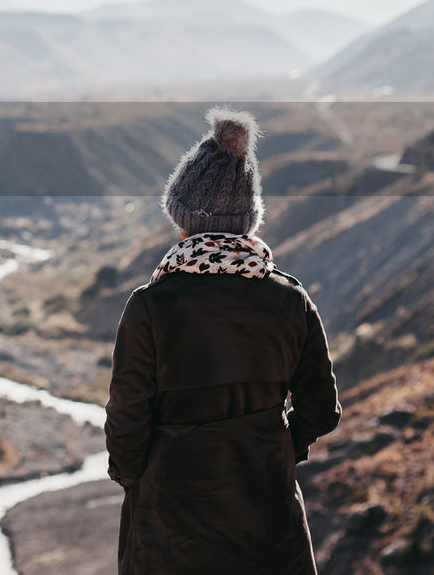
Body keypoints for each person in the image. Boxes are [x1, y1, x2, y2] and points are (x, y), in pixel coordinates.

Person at [105, 108, 341, 574]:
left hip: (169, 527)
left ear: (185, 223)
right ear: (248, 224)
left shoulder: (151, 306)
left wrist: (139, 481)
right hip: (268, 524)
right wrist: (273, 449)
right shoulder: (289, 300)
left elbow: (127, 422)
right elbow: (321, 409)